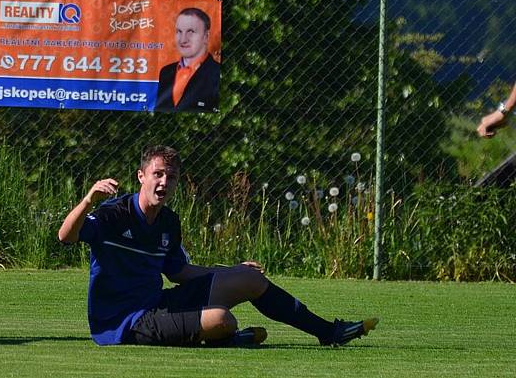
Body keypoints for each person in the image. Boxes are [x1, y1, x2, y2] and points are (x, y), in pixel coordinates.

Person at [58, 144, 378, 347]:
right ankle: (227, 338)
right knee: (221, 320)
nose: (163, 182)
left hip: (157, 302)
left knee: (251, 279)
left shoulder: (169, 221)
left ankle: (328, 332)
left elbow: (179, 272)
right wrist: (88, 200)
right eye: (157, 174)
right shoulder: (114, 213)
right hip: (124, 322)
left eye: (171, 176)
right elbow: (66, 236)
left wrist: (232, 271)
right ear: (141, 176)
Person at [155, 8, 220, 112]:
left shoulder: (217, 72)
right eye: (179, 32)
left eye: (191, 32)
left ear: (206, 36)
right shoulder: (166, 72)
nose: (183, 39)